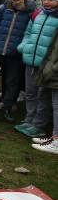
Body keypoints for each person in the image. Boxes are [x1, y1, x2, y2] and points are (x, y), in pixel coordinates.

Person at [15, 0, 58, 138]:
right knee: (30, 93)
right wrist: (24, 47)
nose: (46, 2)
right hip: (30, 59)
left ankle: (39, 124)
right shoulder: (37, 14)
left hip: (45, 65)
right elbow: (28, 32)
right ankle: (29, 119)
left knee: (42, 96)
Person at [31, 18, 58, 154]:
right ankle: (54, 137)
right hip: (51, 69)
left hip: (54, 70)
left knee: (57, 106)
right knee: (53, 104)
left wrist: (53, 68)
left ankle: (56, 142)